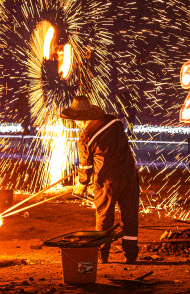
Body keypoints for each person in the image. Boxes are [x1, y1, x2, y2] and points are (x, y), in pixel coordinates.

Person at [62, 96, 139, 264]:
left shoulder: (85, 137)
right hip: (129, 175)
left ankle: (102, 255)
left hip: (107, 181)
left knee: (104, 217)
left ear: (80, 119)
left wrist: (81, 184)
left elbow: (86, 167)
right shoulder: (114, 122)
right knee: (130, 216)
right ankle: (131, 255)